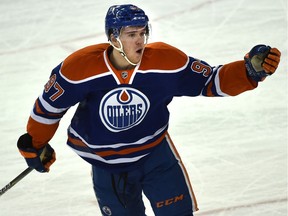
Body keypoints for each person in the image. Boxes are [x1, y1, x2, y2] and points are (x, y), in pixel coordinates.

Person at [16, 4, 281, 216]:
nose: (140, 40)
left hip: (156, 156)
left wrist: (248, 72)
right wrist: (35, 144)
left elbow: (210, 81)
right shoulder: (78, 69)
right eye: (132, 34)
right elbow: (48, 109)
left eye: (143, 33)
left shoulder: (166, 61)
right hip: (107, 166)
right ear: (113, 38)